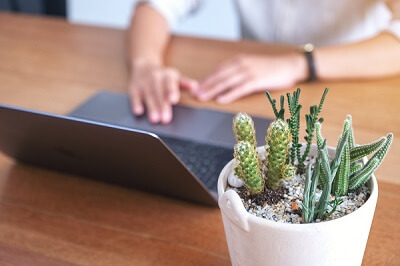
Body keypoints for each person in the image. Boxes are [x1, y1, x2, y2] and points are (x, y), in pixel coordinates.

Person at [128, 0, 400, 124]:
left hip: (350, 94)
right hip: (252, 98)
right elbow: (155, 6)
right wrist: (146, 64)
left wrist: (297, 64)